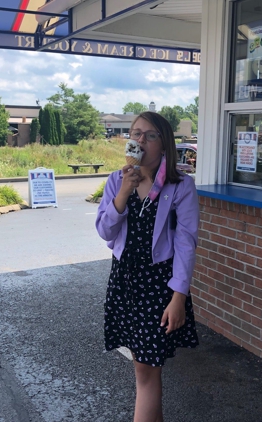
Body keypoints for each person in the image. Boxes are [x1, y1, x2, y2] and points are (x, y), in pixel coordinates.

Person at [95, 111, 199, 422]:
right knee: (143, 366)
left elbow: (186, 244)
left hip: (158, 286)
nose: (140, 140)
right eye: (136, 133)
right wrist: (124, 193)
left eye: (150, 135)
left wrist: (178, 297)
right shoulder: (117, 180)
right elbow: (105, 232)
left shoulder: (180, 187)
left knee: (146, 371)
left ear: (164, 144)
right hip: (125, 282)